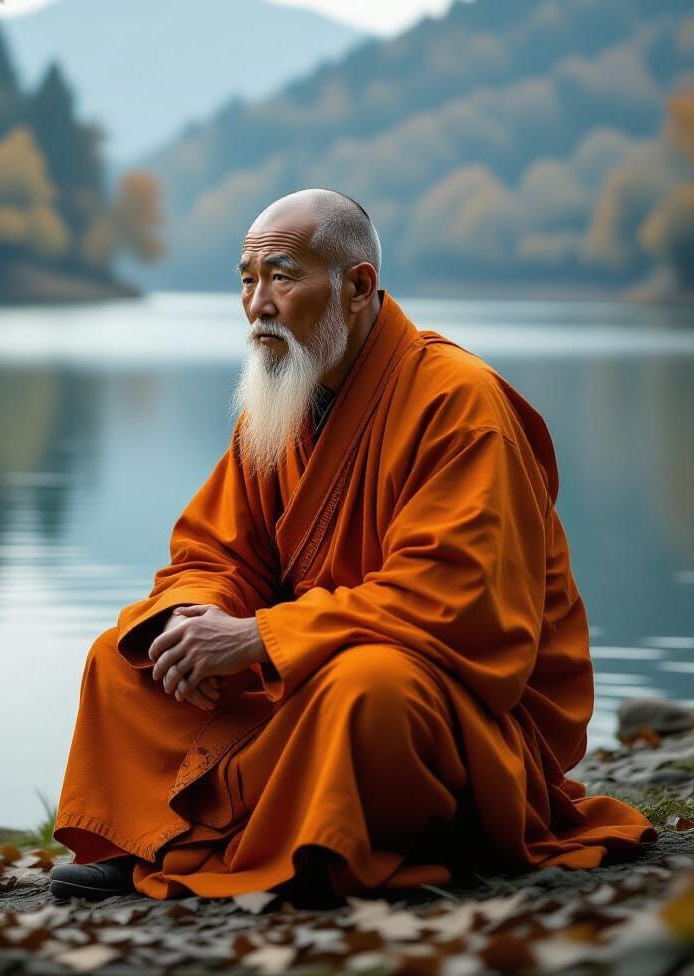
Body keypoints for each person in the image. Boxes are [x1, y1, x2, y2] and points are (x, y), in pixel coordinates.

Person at [49, 188, 657, 908]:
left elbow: (456, 599)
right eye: (246, 281)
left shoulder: (458, 404)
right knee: (130, 655)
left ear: (358, 285)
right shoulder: (282, 402)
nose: (258, 306)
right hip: (308, 661)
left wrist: (259, 638)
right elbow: (219, 553)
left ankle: (281, 841)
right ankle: (157, 838)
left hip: (454, 704)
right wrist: (195, 617)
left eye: (282, 276)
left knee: (367, 689)